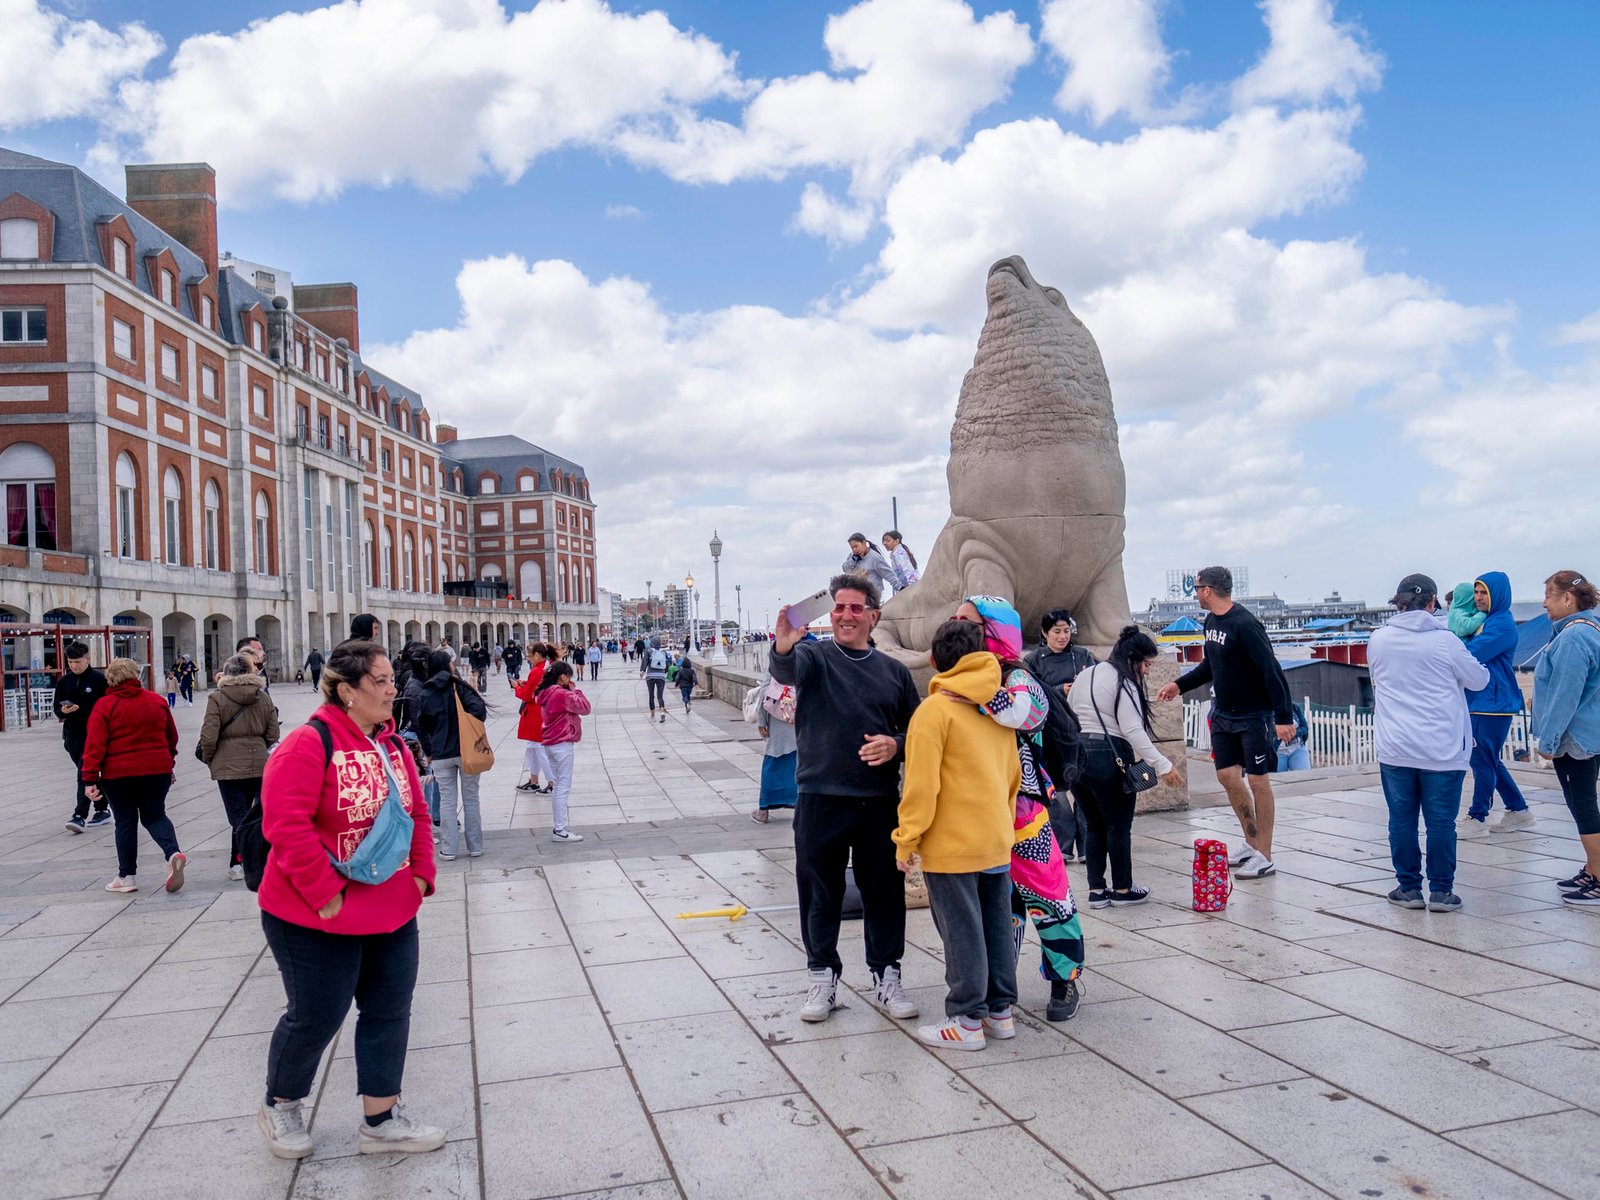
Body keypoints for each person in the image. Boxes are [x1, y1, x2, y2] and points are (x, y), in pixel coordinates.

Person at [255, 639, 443, 1160]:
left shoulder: (393, 745)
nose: (392, 689)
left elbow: (417, 814)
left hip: (391, 906)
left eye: (391, 679)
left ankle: (381, 1119)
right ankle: (282, 1102)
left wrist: (422, 874)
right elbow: (285, 826)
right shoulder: (308, 744)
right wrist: (326, 891)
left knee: (389, 1010)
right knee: (317, 1014)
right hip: (312, 913)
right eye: (380, 682)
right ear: (345, 691)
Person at [771, 573, 921, 1025]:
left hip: (878, 801)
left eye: (856, 609)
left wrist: (895, 745)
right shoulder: (814, 657)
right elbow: (786, 670)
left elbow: (917, 731)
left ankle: (886, 974)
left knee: (885, 892)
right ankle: (822, 977)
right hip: (820, 796)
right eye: (839, 607)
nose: (845, 615)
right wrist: (782, 646)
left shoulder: (894, 672)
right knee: (819, 891)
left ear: (874, 617)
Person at [954, 596, 1087, 1023]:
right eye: (955, 621)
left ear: (994, 632)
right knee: (995, 904)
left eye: (968, 623)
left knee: (1048, 896)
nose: (957, 628)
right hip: (977, 810)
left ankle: (1064, 979)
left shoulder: (1019, 680)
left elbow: (1020, 715)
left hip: (1023, 813)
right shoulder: (957, 679)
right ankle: (998, 986)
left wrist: (966, 691)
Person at [894, 620, 1020, 1050]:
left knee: (962, 930)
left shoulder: (935, 711)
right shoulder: (998, 705)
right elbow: (1013, 776)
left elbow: (921, 785)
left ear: (934, 662)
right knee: (996, 925)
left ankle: (966, 1018)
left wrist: (906, 839)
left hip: (952, 844)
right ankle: (1000, 1012)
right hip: (995, 836)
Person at [1157, 566, 1293, 879]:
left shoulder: (1245, 624)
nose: (1195, 594)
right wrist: (1180, 684)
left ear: (1208, 590)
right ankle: (1251, 841)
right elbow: (1210, 665)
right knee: (1227, 776)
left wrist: (1283, 717)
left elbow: (1271, 671)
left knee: (1258, 781)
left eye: (1198, 589)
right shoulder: (1211, 621)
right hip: (1223, 715)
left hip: (1253, 716)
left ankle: (1265, 854)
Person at [1368, 574, 1489, 912]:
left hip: (1396, 746)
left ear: (1399, 602)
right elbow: (1478, 680)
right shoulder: (1446, 641)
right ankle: (1441, 892)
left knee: (1401, 820)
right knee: (1440, 823)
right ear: (1433, 603)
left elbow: (1377, 678)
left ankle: (1408, 889)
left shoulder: (1378, 639)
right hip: (1443, 748)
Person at [1072, 627, 1181, 907]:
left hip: (1077, 759)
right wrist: (1164, 765)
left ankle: (1096, 890)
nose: (1146, 671)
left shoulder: (1086, 674)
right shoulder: (1124, 681)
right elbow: (1133, 730)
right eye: (1146, 664)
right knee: (1119, 826)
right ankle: (1122, 889)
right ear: (1133, 658)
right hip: (1108, 757)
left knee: (1093, 825)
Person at [80, 657, 185, 895]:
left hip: (119, 774)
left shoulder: (105, 706)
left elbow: (95, 745)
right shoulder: (156, 701)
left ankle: (126, 877)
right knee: (155, 815)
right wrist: (169, 763)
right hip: (157, 771)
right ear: (136, 676)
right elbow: (172, 737)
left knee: (126, 821)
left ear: (111, 679)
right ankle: (172, 853)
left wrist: (89, 779)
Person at [1531, 570, 1600, 906]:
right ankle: (1593, 867)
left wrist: (1549, 739)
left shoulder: (1573, 638)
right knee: (1582, 803)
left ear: (1567, 599)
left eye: (1548, 595)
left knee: (1583, 804)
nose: (1544, 603)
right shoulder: (1590, 628)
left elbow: (1565, 694)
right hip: (1588, 732)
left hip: (1576, 738)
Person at [1459, 573, 1534, 834]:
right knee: (1487, 759)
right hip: (1483, 701)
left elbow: (1469, 654)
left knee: (1481, 760)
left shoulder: (1501, 624)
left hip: (1491, 703)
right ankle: (1519, 809)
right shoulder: (1487, 621)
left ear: (1497, 595)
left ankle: (1478, 817)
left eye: (1484, 593)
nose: (1478, 598)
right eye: (1477, 592)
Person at [199, 653, 281, 882]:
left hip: (228, 766)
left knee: (238, 816)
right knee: (252, 815)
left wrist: (210, 757)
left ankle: (243, 863)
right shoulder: (263, 697)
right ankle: (242, 861)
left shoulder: (217, 698)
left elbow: (208, 735)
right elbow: (273, 733)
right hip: (258, 764)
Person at [1025, 607, 1097, 861]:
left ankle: (1088, 847)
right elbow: (1030, 692)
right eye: (1057, 631)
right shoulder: (1034, 660)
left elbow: (1098, 682)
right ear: (1045, 633)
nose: (1062, 636)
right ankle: (1063, 846)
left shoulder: (1083, 655)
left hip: (1081, 729)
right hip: (1051, 734)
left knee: (1085, 790)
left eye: (1066, 631)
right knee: (1057, 793)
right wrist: (1060, 689)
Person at [414, 649, 488, 861]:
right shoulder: (459, 686)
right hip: (466, 751)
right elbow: (479, 710)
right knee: (471, 799)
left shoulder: (426, 692)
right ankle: (475, 846)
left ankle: (449, 849)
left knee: (446, 801)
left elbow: (421, 725)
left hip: (440, 753)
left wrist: (429, 750)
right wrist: (462, 723)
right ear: (448, 665)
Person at [55, 642, 111, 833]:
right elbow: (56, 707)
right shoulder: (64, 682)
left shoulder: (99, 680)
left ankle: (79, 815)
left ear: (88, 658)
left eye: (78, 661)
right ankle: (102, 808)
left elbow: (107, 705)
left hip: (93, 735)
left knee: (84, 773)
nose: (74, 665)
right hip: (72, 735)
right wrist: (63, 710)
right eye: (70, 662)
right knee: (89, 772)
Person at [535, 660, 590, 843]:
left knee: (559, 785)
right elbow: (585, 707)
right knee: (562, 787)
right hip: (561, 743)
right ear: (563, 676)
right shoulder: (561, 694)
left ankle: (560, 827)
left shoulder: (546, 692)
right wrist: (576, 690)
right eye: (569, 677)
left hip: (550, 743)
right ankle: (559, 829)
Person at [752, 665, 798, 824]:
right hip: (800, 721)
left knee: (772, 763)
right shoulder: (808, 659)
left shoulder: (777, 664)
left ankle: (763, 811)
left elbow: (765, 691)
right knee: (799, 766)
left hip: (778, 721)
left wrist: (761, 721)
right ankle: (800, 806)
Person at [514, 643, 554, 795]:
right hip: (538, 713)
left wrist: (517, 688)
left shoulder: (537, 670)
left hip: (536, 714)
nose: (528, 659)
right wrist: (526, 684)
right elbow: (534, 688)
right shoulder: (546, 667)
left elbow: (528, 695)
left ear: (537, 655)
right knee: (533, 749)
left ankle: (552, 782)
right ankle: (533, 780)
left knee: (539, 749)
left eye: (529, 656)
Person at [841, 533, 899, 599]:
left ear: (864, 543)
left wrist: (901, 588)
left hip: (872, 597)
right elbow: (846, 570)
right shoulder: (852, 556)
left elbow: (889, 575)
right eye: (852, 548)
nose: (854, 549)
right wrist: (853, 560)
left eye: (856, 546)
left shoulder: (875, 558)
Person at [1275, 702, 1311, 772]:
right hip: (1278, 753)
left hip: (1297, 749)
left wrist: (1294, 733)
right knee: (1277, 780)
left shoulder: (1295, 707)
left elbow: (1305, 727)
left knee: (1305, 777)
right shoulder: (1267, 711)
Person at [644, 641, 669, 723]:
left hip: (650, 676)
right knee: (660, 696)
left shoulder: (648, 651)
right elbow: (667, 664)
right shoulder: (664, 652)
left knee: (651, 695)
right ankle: (662, 712)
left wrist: (642, 671)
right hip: (661, 676)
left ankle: (653, 716)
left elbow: (645, 662)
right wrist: (663, 672)